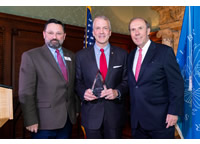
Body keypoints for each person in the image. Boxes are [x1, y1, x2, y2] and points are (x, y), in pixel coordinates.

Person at [18, 19, 80, 139]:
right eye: (51, 33)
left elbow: (73, 86)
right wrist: (30, 120)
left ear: (64, 36)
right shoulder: (31, 56)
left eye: (58, 33)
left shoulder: (72, 56)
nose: (54, 37)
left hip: (67, 120)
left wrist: (76, 109)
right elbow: (26, 92)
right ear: (44, 34)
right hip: (43, 122)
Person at [128, 17, 184, 139]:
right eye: (133, 30)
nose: (136, 33)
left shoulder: (164, 52)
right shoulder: (130, 56)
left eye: (140, 28)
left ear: (148, 31)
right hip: (137, 122)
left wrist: (174, 112)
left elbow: (176, 84)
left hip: (161, 120)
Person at [75, 16, 128, 139]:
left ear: (110, 32)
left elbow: (126, 81)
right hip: (91, 115)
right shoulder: (80, 56)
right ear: (93, 32)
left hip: (114, 115)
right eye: (98, 28)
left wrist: (117, 92)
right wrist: (83, 92)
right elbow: (77, 81)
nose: (101, 32)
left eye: (105, 28)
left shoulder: (122, 54)